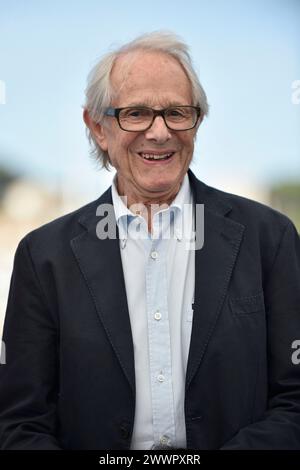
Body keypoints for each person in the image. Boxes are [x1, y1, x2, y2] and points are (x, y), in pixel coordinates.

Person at [0, 31, 300, 451]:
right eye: (136, 113)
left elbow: (294, 400)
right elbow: (20, 422)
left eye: (177, 112)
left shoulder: (271, 239)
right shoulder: (43, 257)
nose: (159, 132)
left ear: (197, 122)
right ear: (98, 128)